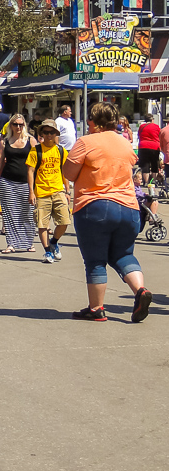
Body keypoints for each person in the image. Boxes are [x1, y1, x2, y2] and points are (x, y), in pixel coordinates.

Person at [63, 103, 151, 323]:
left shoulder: (86, 142)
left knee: (95, 260)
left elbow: (69, 173)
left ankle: (96, 308)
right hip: (129, 208)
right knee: (124, 254)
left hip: (95, 206)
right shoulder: (125, 143)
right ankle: (140, 290)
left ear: (94, 121)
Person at [0, 114, 37, 253]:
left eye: (21, 124)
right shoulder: (5, 141)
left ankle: (29, 243)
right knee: (9, 213)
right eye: (15, 124)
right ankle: (11, 243)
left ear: (24, 125)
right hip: (7, 181)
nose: (18, 127)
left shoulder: (31, 141)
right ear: (11, 126)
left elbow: (37, 163)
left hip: (26, 182)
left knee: (26, 212)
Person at [26, 118, 70, 263]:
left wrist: (67, 191)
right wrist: (31, 192)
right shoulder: (36, 151)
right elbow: (30, 171)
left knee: (64, 222)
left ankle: (54, 242)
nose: (49, 135)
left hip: (58, 190)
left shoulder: (61, 151)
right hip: (41, 192)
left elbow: (65, 172)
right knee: (42, 224)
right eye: (46, 132)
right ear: (42, 134)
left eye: (52, 132)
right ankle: (47, 251)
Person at [137, 114, 160, 185]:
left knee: (145, 165)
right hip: (154, 146)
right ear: (152, 119)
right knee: (154, 164)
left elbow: (139, 135)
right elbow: (159, 135)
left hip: (143, 146)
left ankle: (147, 182)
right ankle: (153, 181)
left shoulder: (141, 127)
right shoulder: (156, 127)